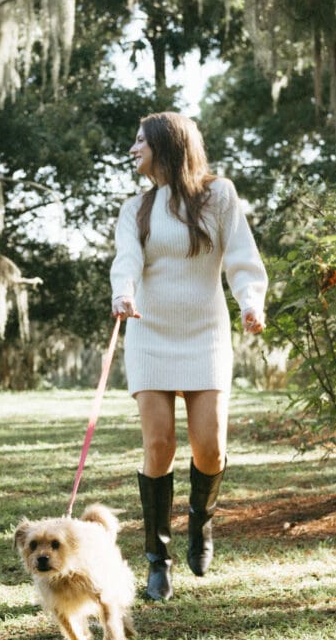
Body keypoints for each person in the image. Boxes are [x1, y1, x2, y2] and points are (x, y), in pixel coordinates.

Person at [110, 112, 268, 600]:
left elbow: (241, 257)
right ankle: (158, 558)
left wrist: (251, 302)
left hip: (205, 333)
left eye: (140, 141)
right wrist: (123, 291)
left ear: (167, 145)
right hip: (148, 331)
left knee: (210, 447)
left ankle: (201, 525)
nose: (133, 148)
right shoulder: (135, 207)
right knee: (158, 445)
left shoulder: (218, 194)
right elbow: (127, 259)